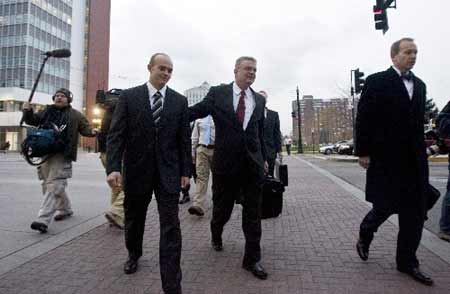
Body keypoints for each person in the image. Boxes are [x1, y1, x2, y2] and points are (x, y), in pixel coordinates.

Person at [106, 53, 191, 294]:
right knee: (134, 219)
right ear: (149, 68)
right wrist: (113, 167)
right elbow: (116, 135)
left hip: (168, 172)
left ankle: (172, 284)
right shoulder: (129, 97)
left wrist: (186, 170)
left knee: (171, 225)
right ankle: (134, 253)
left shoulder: (179, 101)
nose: (166, 73)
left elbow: (183, 139)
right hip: (136, 170)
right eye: (162, 68)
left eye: (170, 70)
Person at [355, 38, 433, 286]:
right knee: (385, 206)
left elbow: (417, 122)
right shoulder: (377, 81)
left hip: (415, 161)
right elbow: (364, 118)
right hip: (387, 159)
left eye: (415, 52)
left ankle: (407, 261)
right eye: (408, 52)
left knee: (415, 211)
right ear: (394, 55)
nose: (413, 56)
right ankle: (366, 232)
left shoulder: (419, 85)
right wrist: (363, 152)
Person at [189, 56, 268, 280]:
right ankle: (216, 233)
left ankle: (252, 259)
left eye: (255, 70)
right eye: (247, 69)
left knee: (253, 214)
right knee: (222, 210)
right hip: (225, 166)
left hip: (252, 166)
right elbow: (197, 110)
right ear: (235, 70)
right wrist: (172, 112)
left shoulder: (259, 101)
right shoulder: (218, 93)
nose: (252, 73)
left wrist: (264, 158)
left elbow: (259, 133)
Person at [22, 88, 97, 233]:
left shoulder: (76, 115)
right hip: (45, 153)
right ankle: (65, 208)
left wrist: (94, 132)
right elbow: (31, 121)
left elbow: (86, 130)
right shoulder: (46, 111)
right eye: (57, 96)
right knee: (47, 183)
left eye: (62, 96)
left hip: (63, 154)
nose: (59, 98)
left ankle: (42, 219)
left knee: (54, 184)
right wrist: (27, 111)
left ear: (69, 99)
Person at [98, 100, 124, 229]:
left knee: (117, 186)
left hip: (104, 154)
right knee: (130, 186)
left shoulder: (108, 113)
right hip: (119, 154)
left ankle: (115, 217)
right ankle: (116, 212)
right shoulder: (121, 113)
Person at [188, 116, 215, 216]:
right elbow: (194, 137)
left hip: (217, 151)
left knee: (217, 178)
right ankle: (197, 204)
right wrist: (192, 153)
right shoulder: (199, 119)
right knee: (201, 177)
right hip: (202, 150)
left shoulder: (219, 115)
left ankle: (217, 201)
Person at [259, 91, 282, 177]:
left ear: (266, 100)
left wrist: (279, 150)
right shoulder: (250, 113)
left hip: (270, 151)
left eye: (263, 98)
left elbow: (276, 133)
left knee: (270, 176)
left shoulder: (274, 115)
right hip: (256, 152)